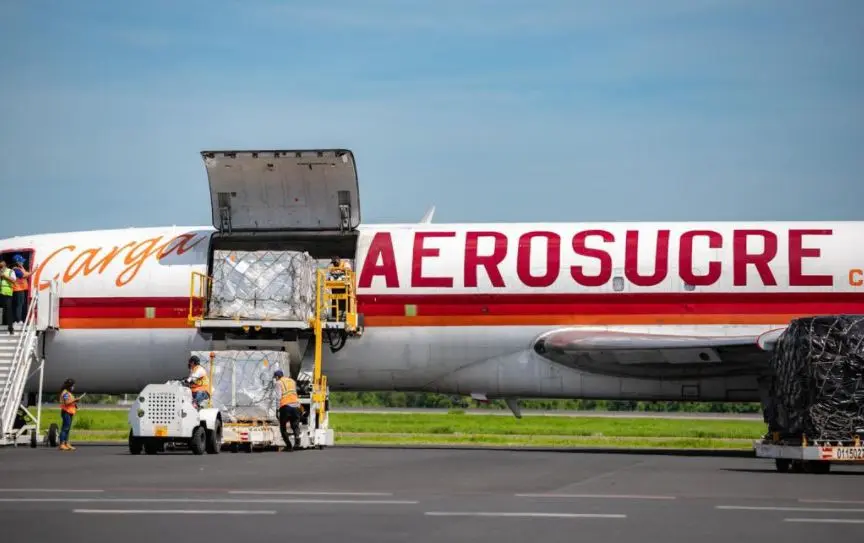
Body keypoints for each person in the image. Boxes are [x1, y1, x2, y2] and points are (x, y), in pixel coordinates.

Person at [273, 369, 302, 451]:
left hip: (286, 406)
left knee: (283, 427)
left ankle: (289, 446)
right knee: (295, 425)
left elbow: (278, 397)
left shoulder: (278, 383)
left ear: (277, 376)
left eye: (275, 377)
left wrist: (277, 409)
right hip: (296, 405)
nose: (275, 379)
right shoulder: (292, 381)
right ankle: (297, 442)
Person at [58, 378, 79, 451]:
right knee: (65, 428)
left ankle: (66, 443)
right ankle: (62, 444)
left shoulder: (68, 393)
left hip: (69, 412)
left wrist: (75, 404)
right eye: (73, 386)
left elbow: (69, 402)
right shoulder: (65, 393)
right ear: (69, 386)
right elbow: (67, 402)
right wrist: (75, 400)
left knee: (67, 429)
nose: (73, 387)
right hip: (66, 412)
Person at [11, 254, 31, 326]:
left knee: (19, 305)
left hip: (20, 289)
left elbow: (25, 273)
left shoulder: (19, 268)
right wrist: (34, 271)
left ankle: (16, 320)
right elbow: (24, 275)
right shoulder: (16, 270)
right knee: (19, 305)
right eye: (21, 261)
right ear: (17, 262)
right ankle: (18, 321)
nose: (23, 263)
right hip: (18, 290)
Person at [0, 260, 15, 335]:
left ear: (5, 265)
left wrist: (4, 276)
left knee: (8, 310)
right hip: (0, 293)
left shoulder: (10, 271)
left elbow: (13, 280)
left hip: (7, 293)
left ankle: (10, 328)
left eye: (2, 266)